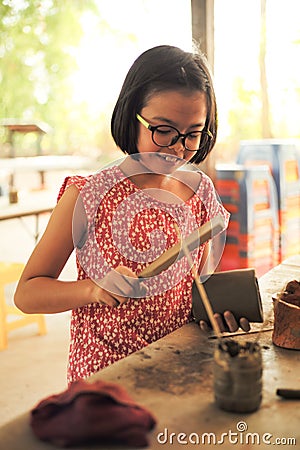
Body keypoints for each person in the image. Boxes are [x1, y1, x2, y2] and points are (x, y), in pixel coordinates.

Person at [15, 45, 250, 384]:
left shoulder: (201, 194)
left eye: (193, 134)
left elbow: (194, 292)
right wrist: (92, 289)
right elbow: (27, 293)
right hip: (105, 380)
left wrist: (216, 313)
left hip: (179, 369)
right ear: (131, 114)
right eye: (164, 130)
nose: (178, 148)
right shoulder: (87, 194)